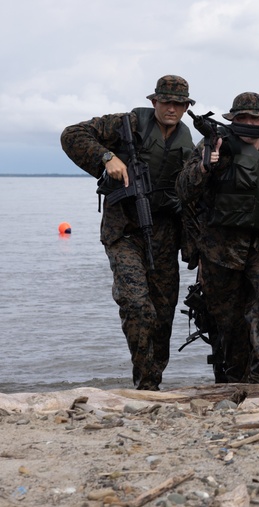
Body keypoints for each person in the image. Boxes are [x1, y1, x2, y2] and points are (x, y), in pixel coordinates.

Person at [60, 75, 196, 390]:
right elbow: (72, 135)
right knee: (137, 305)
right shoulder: (127, 123)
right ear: (154, 102)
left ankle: (151, 383)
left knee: (163, 315)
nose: (172, 108)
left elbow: (194, 194)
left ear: (186, 107)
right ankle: (145, 383)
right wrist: (106, 157)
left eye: (179, 104)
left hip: (165, 233)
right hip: (124, 231)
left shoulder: (189, 141)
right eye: (166, 102)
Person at [176, 92, 259, 384]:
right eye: (242, 118)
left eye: (256, 118)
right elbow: (183, 190)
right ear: (233, 120)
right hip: (221, 248)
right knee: (228, 320)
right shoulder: (214, 143)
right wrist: (205, 166)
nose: (250, 123)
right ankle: (232, 379)